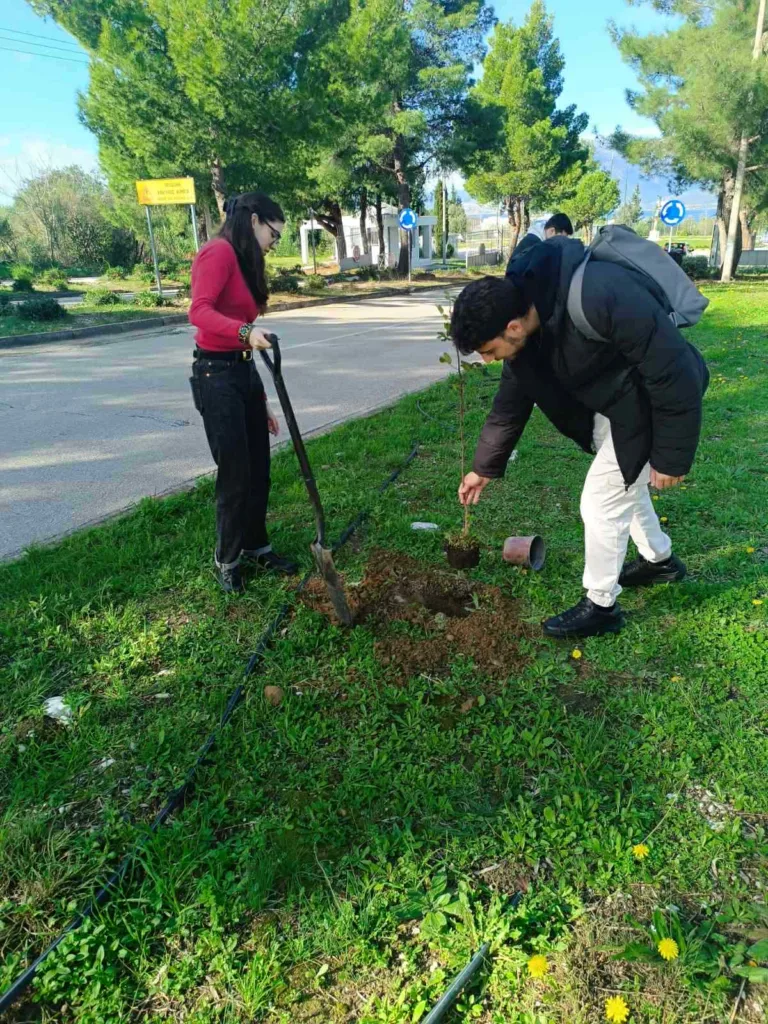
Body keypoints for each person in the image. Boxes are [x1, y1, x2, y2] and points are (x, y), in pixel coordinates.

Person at [451, 234, 709, 639]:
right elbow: (510, 403)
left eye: (488, 350)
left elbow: (672, 371)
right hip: (616, 404)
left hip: (650, 402)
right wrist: (482, 469)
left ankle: (601, 605)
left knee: (601, 500)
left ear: (513, 326)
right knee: (627, 486)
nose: (487, 361)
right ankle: (660, 562)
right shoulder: (524, 332)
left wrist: (672, 457)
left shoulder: (600, 293)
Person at [189, 191, 298, 594]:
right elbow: (198, 311)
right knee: (235, 474)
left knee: (260, 470)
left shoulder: (244, 260)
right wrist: (244, 333)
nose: (274, 242)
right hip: (215, 376)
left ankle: (256, 546)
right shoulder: (216, 253)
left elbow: (244, 330)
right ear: (254, 221)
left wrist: (262, 400)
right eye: (274, 233)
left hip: (243, 372)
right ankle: (228, 559)